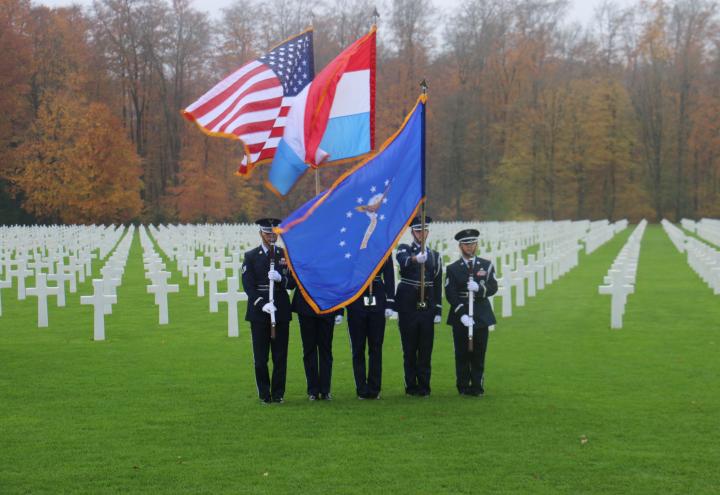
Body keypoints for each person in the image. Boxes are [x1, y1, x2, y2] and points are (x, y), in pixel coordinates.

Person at [242, 218, 295, 404]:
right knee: (260, 358)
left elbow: (293, 282)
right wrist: (261, 303)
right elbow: (248, 286)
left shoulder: (283, 255)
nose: (271, 236)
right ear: (261, 234)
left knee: (280, 356)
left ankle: (278, 393)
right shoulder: (251, 256)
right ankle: (265, 394)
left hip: (280, 309)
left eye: (274, 233)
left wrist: (281, 279)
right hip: (259, 311)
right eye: (267, 233)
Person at [445, 228, 498, 396]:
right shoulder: (453, 268)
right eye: (466, 244)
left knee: (479, 352)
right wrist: (462, 315)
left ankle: (477, 386)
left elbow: (493, 287)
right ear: (460, 246)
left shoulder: (486, 265)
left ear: (477, 244)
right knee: (461, 353)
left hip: (481, 314)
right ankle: (463, 386)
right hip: (461, 316)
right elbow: (450, 293)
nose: (470, 247)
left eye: (473, 243)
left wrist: (479, 288)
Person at [394, 215, 442, 397]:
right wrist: (416, 259)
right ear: (412, 232)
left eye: (425, 230)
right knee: (409, 347)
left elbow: (437, 283)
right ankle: (410, 385)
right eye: (418, 230)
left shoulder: (435, 256)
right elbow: (403, 261)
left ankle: (424, 386)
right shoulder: (404, 249)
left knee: (425, 348)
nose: (422, 233)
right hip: (408, 306)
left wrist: (438, 309)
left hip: (427, 305)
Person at [346, 256, 395, 399]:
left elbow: (389, 275)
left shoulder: (382, 244)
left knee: (376, 346)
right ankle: (361, 388)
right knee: (358, 347)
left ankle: (374, 388)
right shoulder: (352, 243)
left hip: (378, 298)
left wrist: (390, 301)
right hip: (356, 297)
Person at [291, 288, 340, 401]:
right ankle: (313, 390)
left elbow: (335, 279)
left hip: (327, 305)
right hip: (305, 306)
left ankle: (325, 390)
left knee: (326, 351)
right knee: (309, 350)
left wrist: (339, 310)